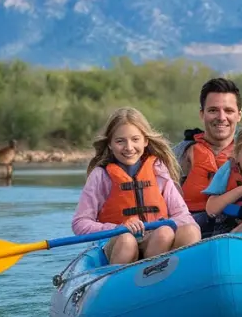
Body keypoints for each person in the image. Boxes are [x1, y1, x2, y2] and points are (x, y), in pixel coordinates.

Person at [72, 107, 201, 264]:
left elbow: (185, 218)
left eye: (135, 139)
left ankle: (160, 276)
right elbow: (80, 224)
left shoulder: (158, 170)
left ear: (145, 141)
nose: (129, 147)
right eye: (120, 141)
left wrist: (163, 223)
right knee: (127, 241)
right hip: (117, 243)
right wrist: (117, 228)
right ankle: (127, 281)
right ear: (110, 144)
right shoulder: (101, 175)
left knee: (185, 231)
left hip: (156, 241)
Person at [174, 77, 242, 237]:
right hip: (190, 231)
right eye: (213, 110)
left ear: (239, 115)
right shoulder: (179, 154)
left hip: (236, 235)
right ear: (202, 114)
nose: (221, 117)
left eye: (228, 110)